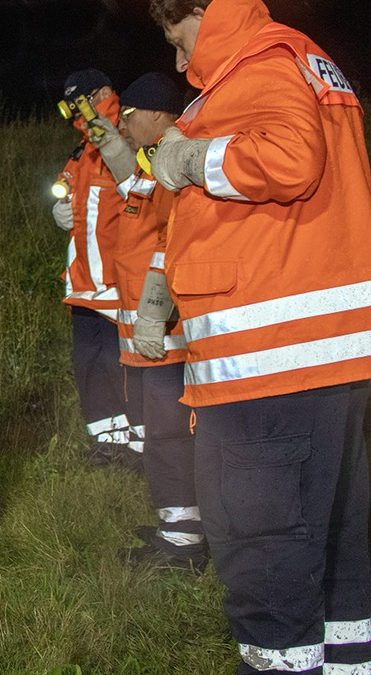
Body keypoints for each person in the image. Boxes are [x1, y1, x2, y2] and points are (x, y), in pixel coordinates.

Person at [149, 0, 371, 671]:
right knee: (338, 545)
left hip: (268, 369)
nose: (179, 60)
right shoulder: (306, 60)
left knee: (266, 545)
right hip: (324, 362)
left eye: (178, 36)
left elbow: (291, 159)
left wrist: (189, 160)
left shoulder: (258, 64)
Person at [104, 72, 206, 570]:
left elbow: (171, 244)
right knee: (157, 435)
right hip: (146, 337)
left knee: (170, 435)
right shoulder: (150, 164)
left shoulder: (172, 162)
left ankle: (185, 541)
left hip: (167, 334)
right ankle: (175, 526)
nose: (125, 124)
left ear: (159, 115)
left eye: (131, 116)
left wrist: (153, 312)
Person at [50, 69, 138, 470]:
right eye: (71, 107)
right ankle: (106, 442)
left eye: (82, 102)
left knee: (121, 363)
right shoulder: (82, 149)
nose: (76, 114)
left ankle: (140, 443)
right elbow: (67, 186)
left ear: (104, 92)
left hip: (121, 281)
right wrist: (59, 209)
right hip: (85, 282)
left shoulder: (127, 134)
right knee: (87, 363)